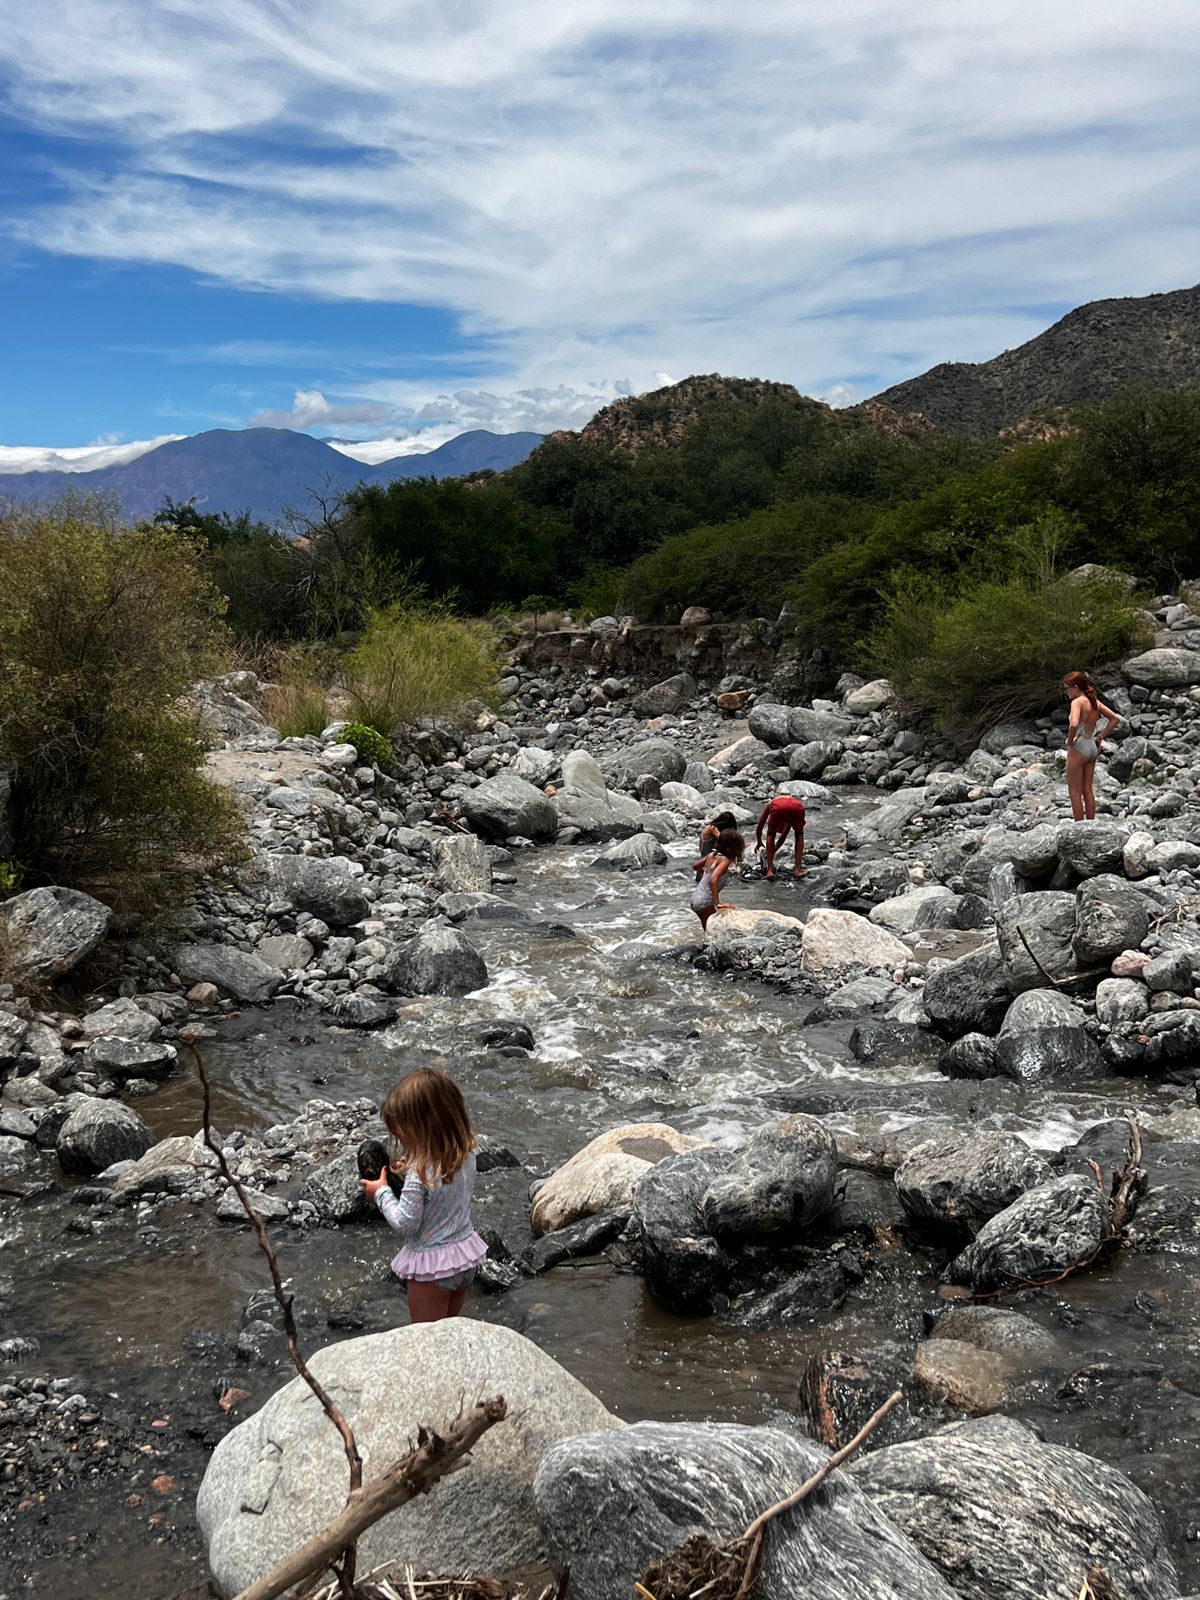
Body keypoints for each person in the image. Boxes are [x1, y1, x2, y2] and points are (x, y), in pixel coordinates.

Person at [359, 1068, 486, 1323]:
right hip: (464, 1258)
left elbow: (406, 1223)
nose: (401, 1140)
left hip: (433, 1269)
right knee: (448, 1331)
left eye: (404, 1134)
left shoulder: (420, 1172)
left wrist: (381, 1193)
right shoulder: (465, 1153)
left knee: (426, 1341)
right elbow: (443, 1194)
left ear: (421, 1128)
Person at [1064, 671, 1121, 822]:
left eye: (1067, 688)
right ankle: (1091, 823)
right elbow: (1115, 719)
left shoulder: (1077, 702)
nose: (1066, 692)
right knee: (1088, 790)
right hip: (1091, 745)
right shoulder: (1094, 702)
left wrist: (1070, 740)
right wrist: (1101, 737)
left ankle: (1079, 827)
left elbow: (1074, 724)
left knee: (1074, 792)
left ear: (1075, 687)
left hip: (1079, 746)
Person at [690, 827, 745, 931]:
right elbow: (713, 879)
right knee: (714, 931)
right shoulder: (725, 860)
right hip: (704, 902)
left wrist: (706, 871)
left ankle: (704, 946)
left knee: (708, 929)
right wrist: (717, 903)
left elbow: (695, 866)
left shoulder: (712, 855)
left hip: (695, 898)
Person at [755, 794, 807, 880]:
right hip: (797, 807)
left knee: (770, 834)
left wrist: (759, 842)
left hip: (779, 807)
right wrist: (773, 851)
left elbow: (760, 826)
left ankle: (770, 870)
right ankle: (797, 869)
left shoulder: (770, 803)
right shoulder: (794, 803)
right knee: (799, 834)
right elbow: (783, 837)